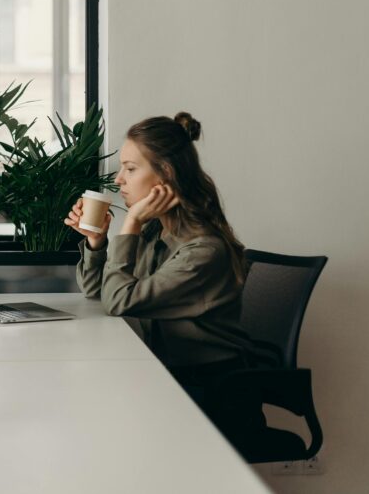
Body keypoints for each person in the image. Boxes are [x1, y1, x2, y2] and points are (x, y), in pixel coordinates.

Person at [65, 112, 273, 402]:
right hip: (172, 375)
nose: (119, 179)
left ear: (166, 174)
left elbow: (117, 302)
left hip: (213, 392)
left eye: (131, 168)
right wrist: (96, 242)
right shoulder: (156, 232)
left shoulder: (202, 252)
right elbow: (97, 290)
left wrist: (132, 223)